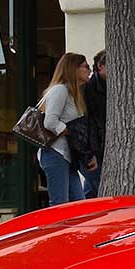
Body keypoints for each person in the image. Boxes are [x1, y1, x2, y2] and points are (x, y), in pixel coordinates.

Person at [36, 52, 94, 207]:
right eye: (85, 66)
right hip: (55, 153)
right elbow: (50, 121)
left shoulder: (73, 94)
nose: (89, 70)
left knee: (78, 204)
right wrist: (69, 130)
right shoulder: (60, 90)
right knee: (60, 204)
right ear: (73, 69)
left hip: (66, 155)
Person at [82, 48, 108, 197]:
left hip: (102, 146)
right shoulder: (90, 89)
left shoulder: (107, 87)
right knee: (96, 188)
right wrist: (91, 151)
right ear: (100, 66)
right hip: (95, 147)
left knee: (92, 189)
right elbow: (90, 122)